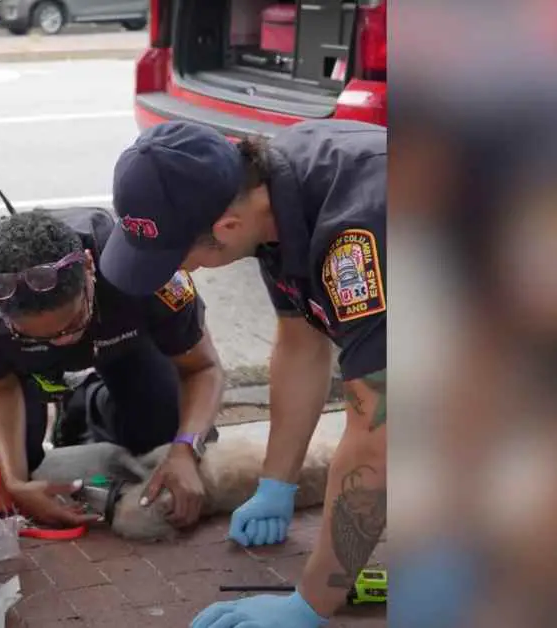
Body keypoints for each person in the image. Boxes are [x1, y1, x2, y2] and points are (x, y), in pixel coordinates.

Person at [100, 119, 387, 627]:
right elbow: (301, 342)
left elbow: (377, 433)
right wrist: (277, 484)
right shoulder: (272, 195)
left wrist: (312, 605)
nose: (179, 274)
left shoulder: (358, 236)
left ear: (227, 228)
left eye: (176, 259)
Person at [0, 207, 227, 530]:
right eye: (37, 334)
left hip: (121, 343)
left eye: (72, 324)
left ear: (90, 269)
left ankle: (87, 403)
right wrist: (15, 482)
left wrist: (186, 448)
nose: (60, 342)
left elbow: (203, 368)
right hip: (16, 373)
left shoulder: (142, 265)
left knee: (167, 435)